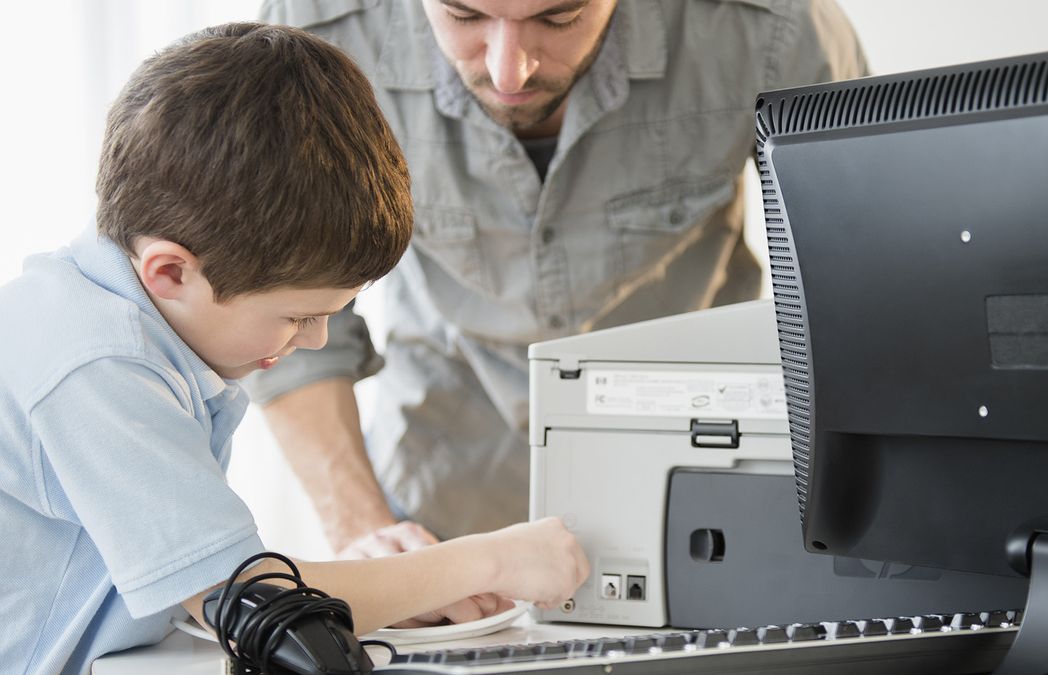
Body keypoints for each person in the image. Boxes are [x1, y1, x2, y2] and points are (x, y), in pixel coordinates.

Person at [0, 23, 587, 674]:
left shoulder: (111, 317)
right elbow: (251, 604)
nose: (317, 339)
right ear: (171, 272)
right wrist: (492, 558)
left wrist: (395, 582)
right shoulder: (94, 361)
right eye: (298, 316)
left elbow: (215, 581)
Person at [251, 0, 868, 555]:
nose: (507, 72)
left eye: (559, 17)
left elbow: (861, 285)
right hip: (442, 501)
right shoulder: (312, 32)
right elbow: (274, 306)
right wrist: (364, 530)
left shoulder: (777, 26)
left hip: (708, 500)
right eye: (465, 17)